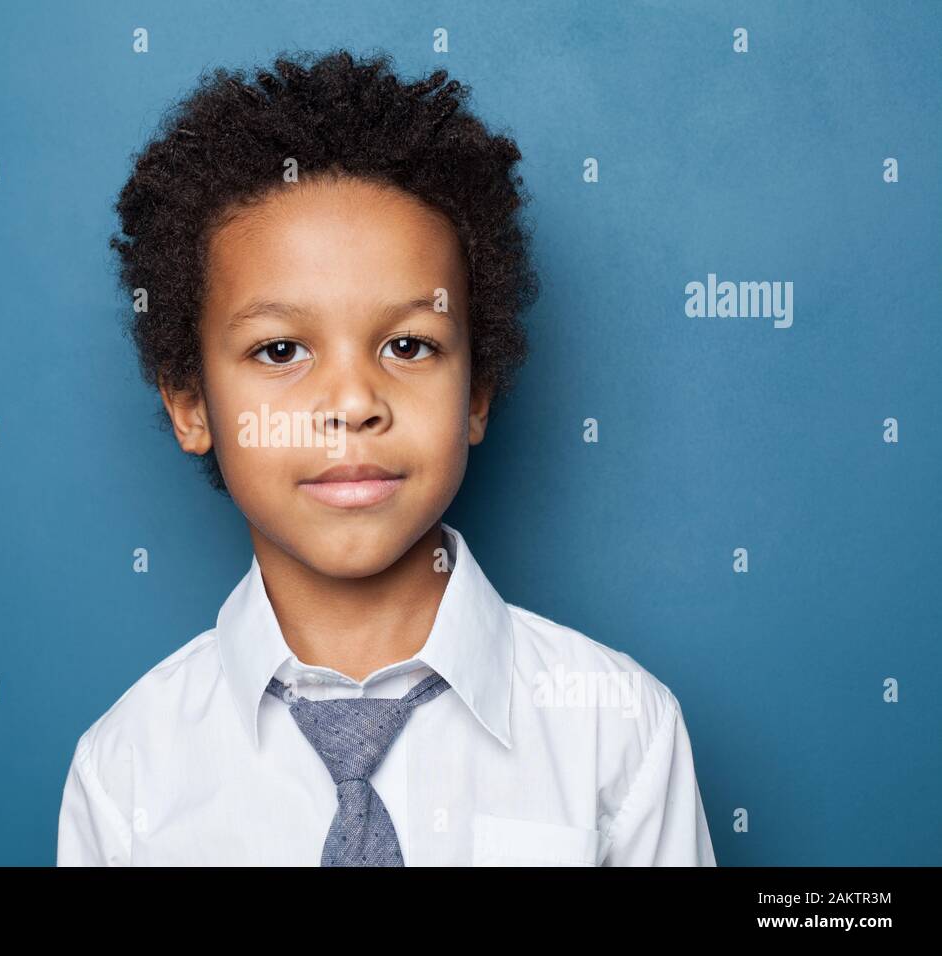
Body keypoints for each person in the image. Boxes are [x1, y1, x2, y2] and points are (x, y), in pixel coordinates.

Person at [57, 49, 715, 866]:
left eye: (409, 344)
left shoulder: (619, 733)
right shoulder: (127, 772)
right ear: (192, 404)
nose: (353, 403)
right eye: (279, 349)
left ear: (477, 393)